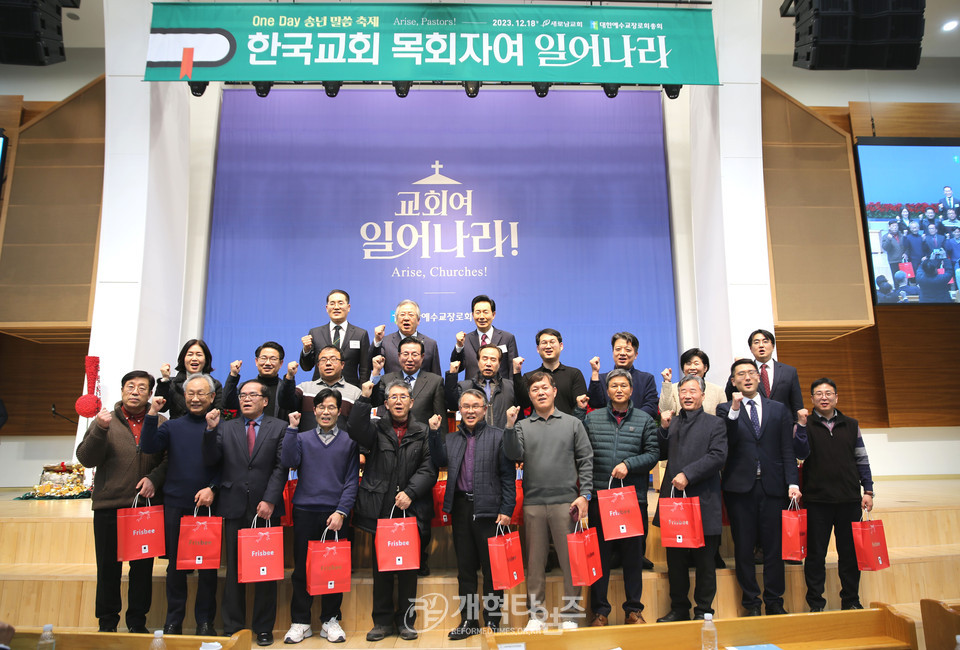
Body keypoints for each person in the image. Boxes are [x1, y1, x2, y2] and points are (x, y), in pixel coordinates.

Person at [76, 370, 167, 634]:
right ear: (122, 391)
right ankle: (107, 623)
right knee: (107, 569)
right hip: (109, 507)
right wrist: (99, 431)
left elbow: (168, 460)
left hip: (143, 510)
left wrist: (153, 478)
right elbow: (86, 459)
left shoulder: (160, 422)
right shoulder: (104, 421)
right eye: (130, 386)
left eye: (141, 387)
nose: (135, 391)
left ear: (150, 394)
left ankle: (137, 623)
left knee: (142, 571)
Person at [348, 380, 437, 642]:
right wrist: (364, 399)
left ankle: (407, 622)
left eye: (403, 396)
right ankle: (382, 622)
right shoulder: (375, 429)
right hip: (382, 508)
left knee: (409, 569)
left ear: (411, 402)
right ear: (385, 404)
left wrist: (411, 492)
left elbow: (429, 468)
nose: (398, 401)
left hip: (411, 507)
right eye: (393, 397)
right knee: (382, 569)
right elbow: (354, 428)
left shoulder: (423, 431)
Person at [503, 372, 593, 631]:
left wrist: (585, 494)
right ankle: (536, 616)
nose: (540, 392)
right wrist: (509, 426)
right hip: (533, 503)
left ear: (554, 391)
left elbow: (586, 460)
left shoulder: (573, 423)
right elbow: (513, 454)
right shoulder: (521, 426)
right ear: (529, 396)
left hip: (566, 503)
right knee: (534, 563)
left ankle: (571, 616)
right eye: (534, 389)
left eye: (545, 388)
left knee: (571, 563)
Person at [202, 380, 287, 647]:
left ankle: (263, 628)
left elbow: (281, 467)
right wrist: (209, 431)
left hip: (266, 508)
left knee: (266, 571)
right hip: (233, 505)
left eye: (253, 395)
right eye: (243, 395)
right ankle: (233, 626)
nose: (246, 399)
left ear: (265, 400)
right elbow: (211, 460)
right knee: (234, 571)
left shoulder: (279, 427)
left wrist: (270, 499)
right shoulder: (226, 427)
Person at [717, 359, 803, 617]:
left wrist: (792, 482)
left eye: (751, 373)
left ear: (758, 377)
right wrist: (734, 410)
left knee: (773, 548)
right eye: (740, 374)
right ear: (733, 381)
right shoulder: (724, 410)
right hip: (739, 488)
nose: (747, 377)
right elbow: (727, 441)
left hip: (773, 486)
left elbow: (787, 450)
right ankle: (751, 602)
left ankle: (775, 601)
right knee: (743, 548)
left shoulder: (778, 409)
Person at [428, 389, 515, 640]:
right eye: (465, 406)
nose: (470, 411)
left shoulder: (498, 437)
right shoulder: (452, 439)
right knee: (465, 570)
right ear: (459, 411)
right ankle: (469, 620)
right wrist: (434, 433)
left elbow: (508, 477)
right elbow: (439, 460)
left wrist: (507, 510)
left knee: (492, 571)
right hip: (461, 509)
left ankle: (493, 622)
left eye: (475, 406)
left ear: (485, 409)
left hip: (491, 512)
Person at [574, 369, 658, 626]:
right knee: (600, 558)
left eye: (624, 385)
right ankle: (600, 611)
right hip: (600, 499)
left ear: (631, 391)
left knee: (633, 558)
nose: (619, 390)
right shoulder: (593, 418)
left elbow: (653, 453)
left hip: (632, 501)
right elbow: (581, 453)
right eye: (614, 386)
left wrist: (629, 464)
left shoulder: (645, 419)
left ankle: (633, 609)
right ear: (607, 391)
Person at [140, 375, 219, 637]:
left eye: (201, 394)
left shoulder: (221, 425)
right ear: (184, 397)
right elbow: (149, 446)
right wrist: (152, 413)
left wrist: (213, 488)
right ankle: (173, 621)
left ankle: (205, 622)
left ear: (211, 397)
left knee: (207, 569)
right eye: (190, 393)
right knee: (176, 567)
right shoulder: (172, 426)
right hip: (175, 504)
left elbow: (228, 464)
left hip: (208, 506)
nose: (195, 398)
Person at [280, 388, 360, 645]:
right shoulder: (301, 438)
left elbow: (351, 482)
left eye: (331, 407)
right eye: (321, 407)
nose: (326, 412)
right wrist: (291, 429)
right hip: (305, 510)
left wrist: (341, 512)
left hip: (335, 514)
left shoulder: (349, 442)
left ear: (339, 411)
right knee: (302, 569)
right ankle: (300, 621)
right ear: (313, 411)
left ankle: (330, 620)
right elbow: (289, 461)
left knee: (333, 568)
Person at [794, 378, 874, 612]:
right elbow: (799, 453)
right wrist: (799, 426)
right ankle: (816, 603)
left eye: (829, 393)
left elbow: (862, 459)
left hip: (849, 499)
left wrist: (868, 490)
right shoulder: (804, 425)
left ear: (836, 397)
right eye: (818, 394)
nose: (824, 397)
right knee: (815, 556)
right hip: (817, 500)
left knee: (849, 555)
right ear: (812, 399)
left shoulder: (851, 424)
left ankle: (851, 599)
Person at [653, 375, 727, 622]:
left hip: (703, 499)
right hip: (675, 501)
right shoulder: (671, 422)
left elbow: (718, 456)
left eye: (693, 391)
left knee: (705, 562)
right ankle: (679, 608)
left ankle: (704, 609)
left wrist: (689, 474)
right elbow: (660, 454)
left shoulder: (715, 424)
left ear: (703, 396)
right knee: (676, 561)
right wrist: (662, 429)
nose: (687, 395)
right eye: (683, 391)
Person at [370, 336, 446, 575]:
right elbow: (373, 409)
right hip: (390, 449)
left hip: (421, 451)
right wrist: (374, 376)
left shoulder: (434, 380)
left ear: (423, 357)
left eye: (415, 354)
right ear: (398, 356)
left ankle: (419, 559)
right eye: (405, 354)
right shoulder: (386, 379)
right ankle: (391, 557)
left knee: (419, 515)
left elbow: (440, 419)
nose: (410, 358)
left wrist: (438, 452)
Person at [725, 329, 803, 419]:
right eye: (756, 342)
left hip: (783, 422)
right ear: (750, 348)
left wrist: (797, 426)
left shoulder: (789, 371)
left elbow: (797, 403)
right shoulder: (745, 372)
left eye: (765, 341)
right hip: (755, 421)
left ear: (773, 346)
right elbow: (729, 395)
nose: (761, 345)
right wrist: (737, 368)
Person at [300, 289, 370, 388]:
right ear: (327, 308)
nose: (336, 307)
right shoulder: (315, 333)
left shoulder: (360, 334)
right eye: (332, 303)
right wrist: (306, 351)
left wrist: (362, 392)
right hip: (320, 389)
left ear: (348, 307)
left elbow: (364, 368)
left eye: (340, 303)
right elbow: (306, 367)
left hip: (349, 389)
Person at [279, 347, 362, 431]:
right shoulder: (304, 388)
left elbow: (359, 426)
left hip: (342, 443)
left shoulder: (355, 393)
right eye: (323, 360)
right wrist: (289, 377)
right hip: (307, 442)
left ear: (342, 365)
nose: (328, 363)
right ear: (318, 365)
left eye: (333, 359)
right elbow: (285, 403)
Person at [513, 328, 587, 416]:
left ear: (561, 346)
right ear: (538, 348)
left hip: (568, 427)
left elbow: (580, 406)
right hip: (538, 427)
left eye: (552, 342)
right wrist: (517, 373)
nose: (548, 346)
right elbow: (524, 404)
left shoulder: (574, 374)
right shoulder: (529, 377)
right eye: (544, 343)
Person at [586, 332, 658, 418]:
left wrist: (628, 419)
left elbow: (651, 408)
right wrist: (595, 372)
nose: (622, 353)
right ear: (613, 352)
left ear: (636, 355)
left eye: (628, 350)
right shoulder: (601, 379)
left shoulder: (646, 379)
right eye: (618, 349)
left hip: (637, 427)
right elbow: (595, 405)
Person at [445, 344, 516, 429]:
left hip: (502, 438)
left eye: (493, 359)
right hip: (472, 439)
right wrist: (452, 375)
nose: (488, 363)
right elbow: (452, 405)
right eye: (484, 359)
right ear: (478, 361)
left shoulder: (510, 387)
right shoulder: (465, 386)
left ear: (499, 363)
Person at [449, 294, 518, 381]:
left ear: (493, 314)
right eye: (478, 312)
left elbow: (513, 369)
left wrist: (510, 390)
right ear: (473, 315)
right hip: (472, 391)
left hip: (500, 390)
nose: (481, 317)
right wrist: (459, 346)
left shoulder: (507, 338)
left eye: (485, 312)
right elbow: (457, 367)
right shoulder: (466, 339)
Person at [369, 299, 441, 376]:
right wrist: (377, 341)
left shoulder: (430, 344)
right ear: (396, 320)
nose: (406, 318)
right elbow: (370, 365)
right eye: (402, 314)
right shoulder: (385, 342)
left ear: (418, 320)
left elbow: (436, 377)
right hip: (392, 387)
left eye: (411, 314)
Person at [155, 339, 223, 419]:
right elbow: (161, 408)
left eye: (199, 355)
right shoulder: (172, 383)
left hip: (204, 429)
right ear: (183, 358)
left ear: (206, 359)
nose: (194, 358)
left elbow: (219, 414)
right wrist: (165, 380)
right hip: (176, 429)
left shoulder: (215, 385)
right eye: (190, 354)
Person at [224, 341, 288, 418]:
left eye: (273, 359)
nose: (267, 363)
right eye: (263, 358)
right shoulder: (245, 387)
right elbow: (227, 404)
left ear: (281, 363)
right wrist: (233, 375)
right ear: (256, 361)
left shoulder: (286, 390)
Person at [659, 348, 725, 416]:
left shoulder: (718, 391)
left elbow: (723, 418)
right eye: (688, 364)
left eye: (696, 364)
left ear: (705, 368)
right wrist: (667, 382)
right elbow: (665, 412)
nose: (692, 368)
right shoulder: (673, 388)